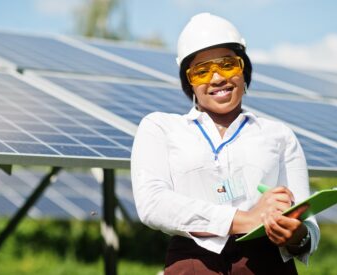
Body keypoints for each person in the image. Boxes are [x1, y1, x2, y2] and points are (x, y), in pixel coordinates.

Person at [131, 12, 319, 274]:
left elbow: (308, 222)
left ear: (243, 69)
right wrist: (247, 219)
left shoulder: (278, 135)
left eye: (227, 65)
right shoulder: (160, 127)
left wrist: (296, 236)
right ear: (189, 80)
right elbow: (153, 204)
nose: (217, 78)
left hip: (265, 264)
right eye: (202, 71)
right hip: (194, 265)